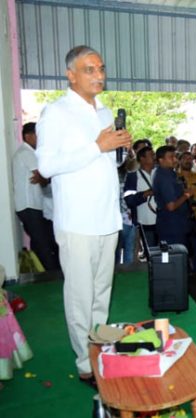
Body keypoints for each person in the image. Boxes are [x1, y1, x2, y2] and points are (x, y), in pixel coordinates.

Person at [36, 45, 132, 386]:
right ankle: (84, 363)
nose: (99, 75)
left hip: (107, 217)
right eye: (90, 69)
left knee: (102, 290)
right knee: (80, 295)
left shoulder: (105, 113)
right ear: (71, 75)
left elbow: (110, 164)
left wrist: (119, 150)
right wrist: (97, 146)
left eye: (101, 68)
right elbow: (46, 166)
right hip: (77, 221)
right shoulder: (56, 113)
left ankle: (100, 347)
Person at [13, 122, 60, 271]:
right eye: (37, 135)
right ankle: (51, 275)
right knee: (43, 243)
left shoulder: (28, 153)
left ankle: (40, 273)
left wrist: (43, 178)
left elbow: (42, 177)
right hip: (29, 206)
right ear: (28, 136)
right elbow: (41, 175)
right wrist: (43, 178)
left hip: (32, 206)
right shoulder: (26, 153)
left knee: (40, 241)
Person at [153, 145, 191, 245]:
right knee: (173, 258)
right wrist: (186, 195)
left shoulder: (170, 173)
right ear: (161, 160)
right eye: (171, 157)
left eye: (175, 157)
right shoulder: (164, 177)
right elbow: (171, 206)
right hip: (171, 227)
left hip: (177, 224)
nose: (175, 160)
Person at [178, 151, 196, 278]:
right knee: (182, 245)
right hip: (180, 216)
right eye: (184, 158)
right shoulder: (174, 177)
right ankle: (183, 270)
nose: (188, 160)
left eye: (190, 158)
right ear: (179, 160)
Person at [124, 146, 158, 248]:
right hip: (144, 223)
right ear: (142, 158)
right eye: (152, 155)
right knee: (151, 253)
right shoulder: (133, 176)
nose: (154, 157)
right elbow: (129, 200)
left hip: (162, 221)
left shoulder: (158, 173)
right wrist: (146, 194)